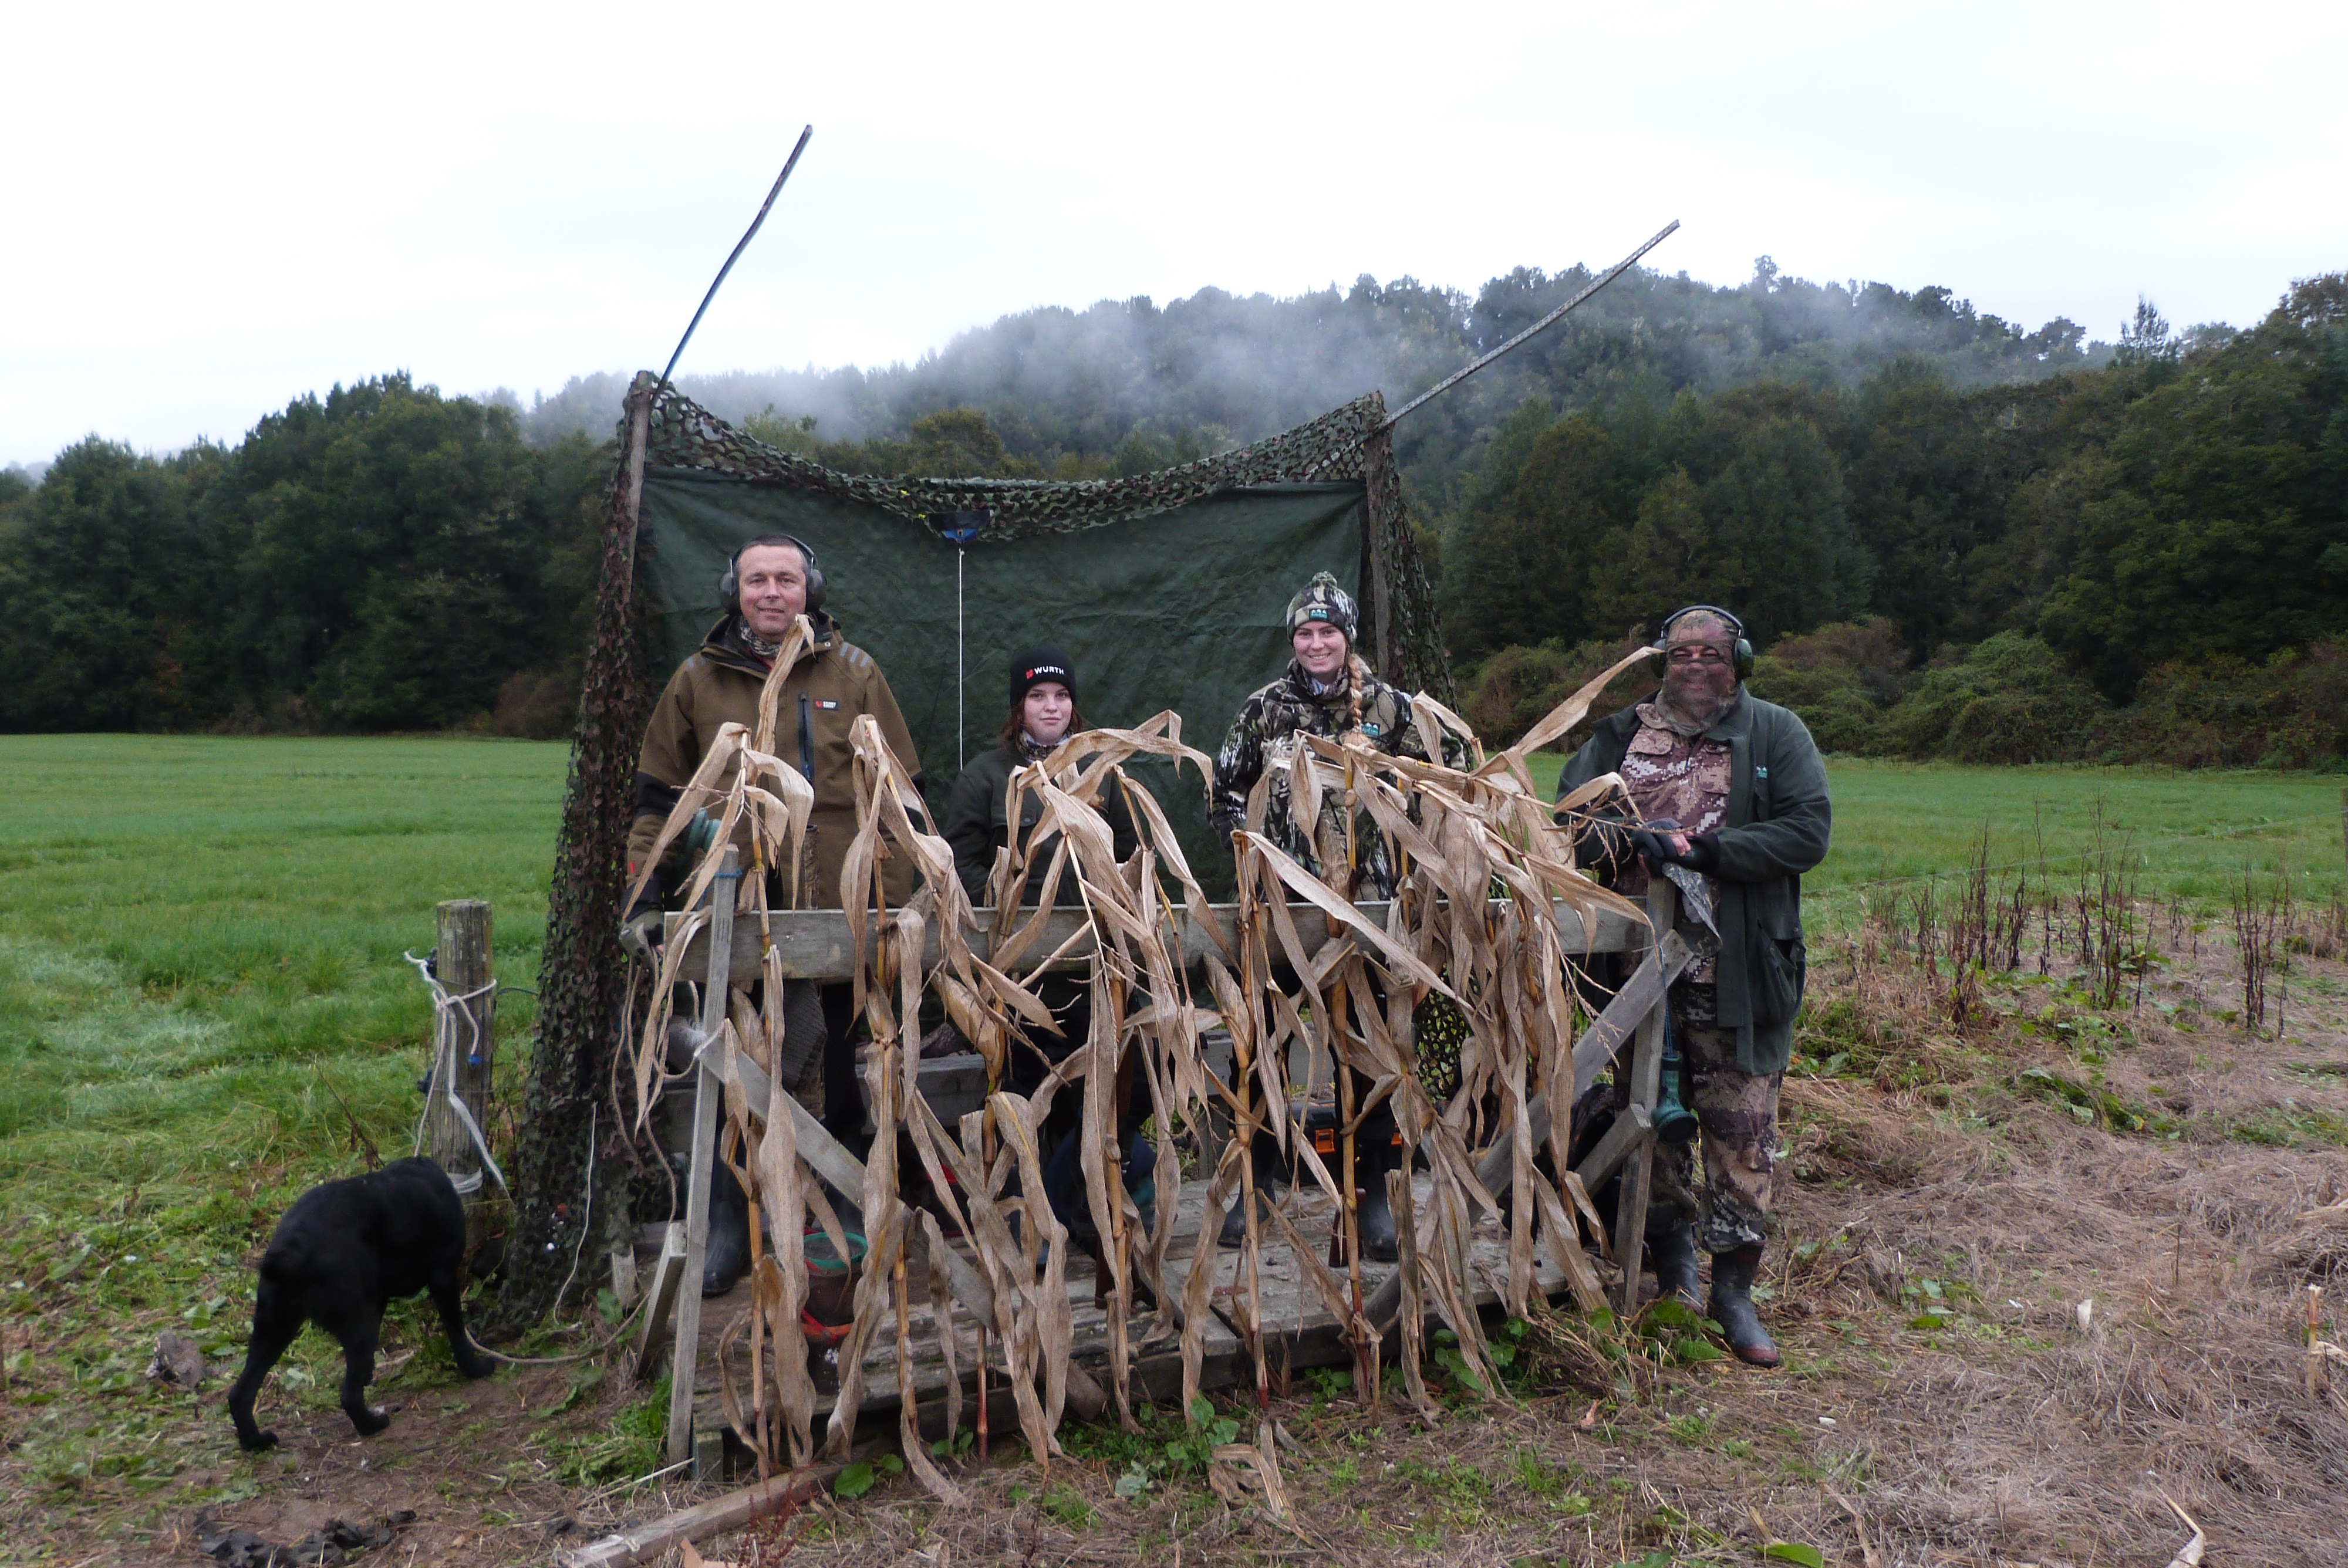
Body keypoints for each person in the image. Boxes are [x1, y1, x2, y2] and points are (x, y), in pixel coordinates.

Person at [623, 533, 923, 1295]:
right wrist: (646, 894)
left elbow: (901, 793)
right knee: (742, 1066)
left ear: (808, 590)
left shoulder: (854, 673)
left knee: (851, 1061)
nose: (771, 592)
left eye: (785, 579)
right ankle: (731, 1220)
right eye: (756, 580)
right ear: (735, 591)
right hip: (737, 912)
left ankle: (849, 1212)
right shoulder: (697, 680)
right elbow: (658, 799)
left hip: (843, 912)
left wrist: (919, 889)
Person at [1554, 606, 1830, 1366]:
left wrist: (1706, 851)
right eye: (1682, 652)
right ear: (1663, 660)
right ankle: (1668, 1273)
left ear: (1737, 657)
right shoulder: (1618, 736)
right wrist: (1620, 842)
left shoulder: (1774, 735)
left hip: (1736, 975)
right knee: (1649, 1130)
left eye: (1712, 652)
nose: (1697, 663)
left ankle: (1733, 1296)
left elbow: (1807, 832)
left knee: (1743, 1140)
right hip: (1637, 981)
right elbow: (1567, 822)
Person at [1209, 572, 1461, 1261]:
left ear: (1347, 637)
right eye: (1305, 632)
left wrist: (1400, 819)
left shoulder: (1392, 709)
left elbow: (1452, 775)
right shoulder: (1265, 708)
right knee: (1259, 1041)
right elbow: (1222, 789)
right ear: (1294, 639)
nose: (1316, 642)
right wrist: (1258, 839)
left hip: (1374, 909)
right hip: (1284, 910)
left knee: (1372, 1046)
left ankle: (1367, 1194)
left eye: (1328, 631)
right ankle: (1256, 1183)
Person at [941, 648, 1154, 1266]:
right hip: (1020, 972)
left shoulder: (1100, 772)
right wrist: (1018, 907)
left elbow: (1130, 855)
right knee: (1025, 1093)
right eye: (1038, 697)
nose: (1051, 707)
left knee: (1118, 1090)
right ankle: (1034, 1218)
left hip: (1098, 967)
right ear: (1019, 707)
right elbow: (963, 863)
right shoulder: (985, 776)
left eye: (1060, 697)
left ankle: (1084, 1206)